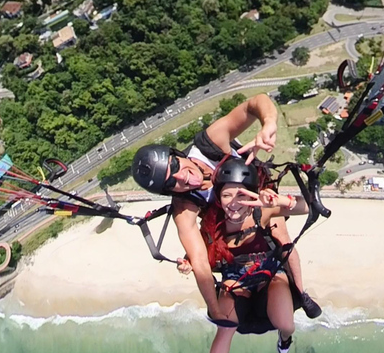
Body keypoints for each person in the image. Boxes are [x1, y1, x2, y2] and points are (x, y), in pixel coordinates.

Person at [131, 94, 321, 324]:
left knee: (281, 238)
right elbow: (200, 262)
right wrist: (214, 310)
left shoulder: (209, 145)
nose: (182, 177)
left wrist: (268, 123)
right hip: (230, 214)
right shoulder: (184, 206)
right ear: (169, 191)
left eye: (174, 165)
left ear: (177, 155)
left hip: (259, 193)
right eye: (172, 183)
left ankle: (301, 292)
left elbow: (255, 103)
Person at [203, 156, 309, 353]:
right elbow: (199, 254)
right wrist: (186, 262)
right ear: (218, 197)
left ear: (251, 195)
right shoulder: (213, 222)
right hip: (234, 279)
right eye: (227, 195)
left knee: (287, 325)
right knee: (224, 330)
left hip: (270, 274)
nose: (234, 203)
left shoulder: (261, 212)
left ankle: (284, 341)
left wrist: (281, 201)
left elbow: (307, 207)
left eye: (241, 195)